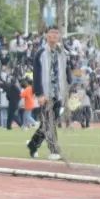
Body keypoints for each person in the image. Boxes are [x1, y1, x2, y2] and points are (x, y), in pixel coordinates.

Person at [28, 26, 69, 161]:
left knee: (48, 123)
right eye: (51, 32)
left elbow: (66, 71)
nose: (54, 35)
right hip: (46, 94)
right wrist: (39, 94)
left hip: (58, 93)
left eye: (57, 33)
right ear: (46, 35)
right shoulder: (40, 53)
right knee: (49, 122)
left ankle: (33, 144)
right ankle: (54, 150)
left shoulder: (62, 53)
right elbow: (36, 75)